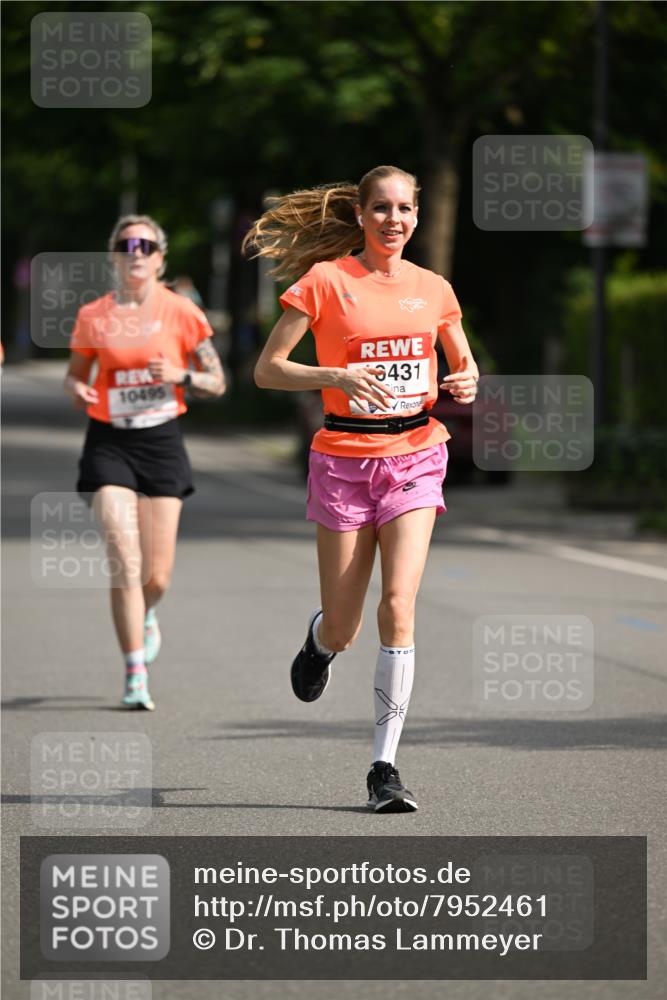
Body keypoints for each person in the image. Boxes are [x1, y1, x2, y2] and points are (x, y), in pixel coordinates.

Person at [245, 165, 479, 812]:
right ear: (359, 215)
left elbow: (462, 362)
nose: (393, 220)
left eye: (404, 208)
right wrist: (337, 377)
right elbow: (267, 370)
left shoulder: (433, 288)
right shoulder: (325, 282)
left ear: (415, 214)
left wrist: (465, 382)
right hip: (343, 459)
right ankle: (320, 642)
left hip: (415, 453)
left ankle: (384, 768)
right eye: (380, 208)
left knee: (398, 605)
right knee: (347, 624)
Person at [64, 215, 226, 710]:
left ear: (160, 257)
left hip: (161, 442)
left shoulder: (182, 312)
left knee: (157, 576)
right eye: (125, 244)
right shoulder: (94, 315)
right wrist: (78, 389)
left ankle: (147, 614)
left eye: (146, 244)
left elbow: (217, 381)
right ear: (114, 255)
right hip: (109, 441)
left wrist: (182, 374)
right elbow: (74, 377)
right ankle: (135, 673)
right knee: (124, 559)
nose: (135, 251)